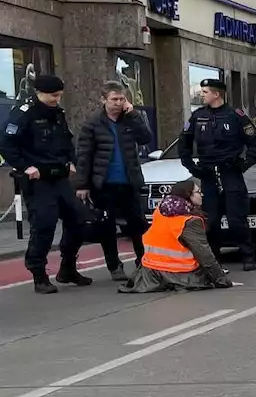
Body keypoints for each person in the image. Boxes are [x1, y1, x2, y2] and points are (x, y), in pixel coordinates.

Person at [0, 75, 90, 294]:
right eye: (53, 95)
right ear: (39, 92)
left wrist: (71, 161)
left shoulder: (57, 114)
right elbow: (5, 142)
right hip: (38, 180)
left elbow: (66, 140)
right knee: (45, 225)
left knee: (79, 220)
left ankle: (67, 267)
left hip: (59, 177)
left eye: (59, 95)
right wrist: (24, 166)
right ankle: (39, 274)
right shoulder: (23, 113)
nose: (57, 99)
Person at [178, 78, 256, 271]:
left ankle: (247, 255)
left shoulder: (236, 116)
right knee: (211, 220)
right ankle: (214, 258)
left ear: (217, 94)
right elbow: (183, 143)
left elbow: (255, 144)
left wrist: (243, 164)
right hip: (208, 174)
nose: (202, 95)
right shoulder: (197, 116)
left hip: (230, 173)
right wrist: (191, 166)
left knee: (236, 219)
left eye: (205, 92)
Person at [74, 81, 153, 281]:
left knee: (138, 224)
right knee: (106, 226)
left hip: (129, 182)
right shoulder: (92, 123)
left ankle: (144, 261)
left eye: (122, 99)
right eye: (114, 99)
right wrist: (82, 184)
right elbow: (83, 155)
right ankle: (114, 265)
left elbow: (145, 138)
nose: (118, 103)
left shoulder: (130, 119)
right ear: (104, 100)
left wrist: (133, 114)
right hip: (104, 184)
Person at [119, 179, 234, 292]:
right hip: (179, 273)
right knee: (207, 268)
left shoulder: (160, 211)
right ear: (188, 195)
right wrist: (221, 280)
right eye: (198, 192)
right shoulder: (190, 221)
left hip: (151, 271)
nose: (202, 195)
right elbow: (204, 254)